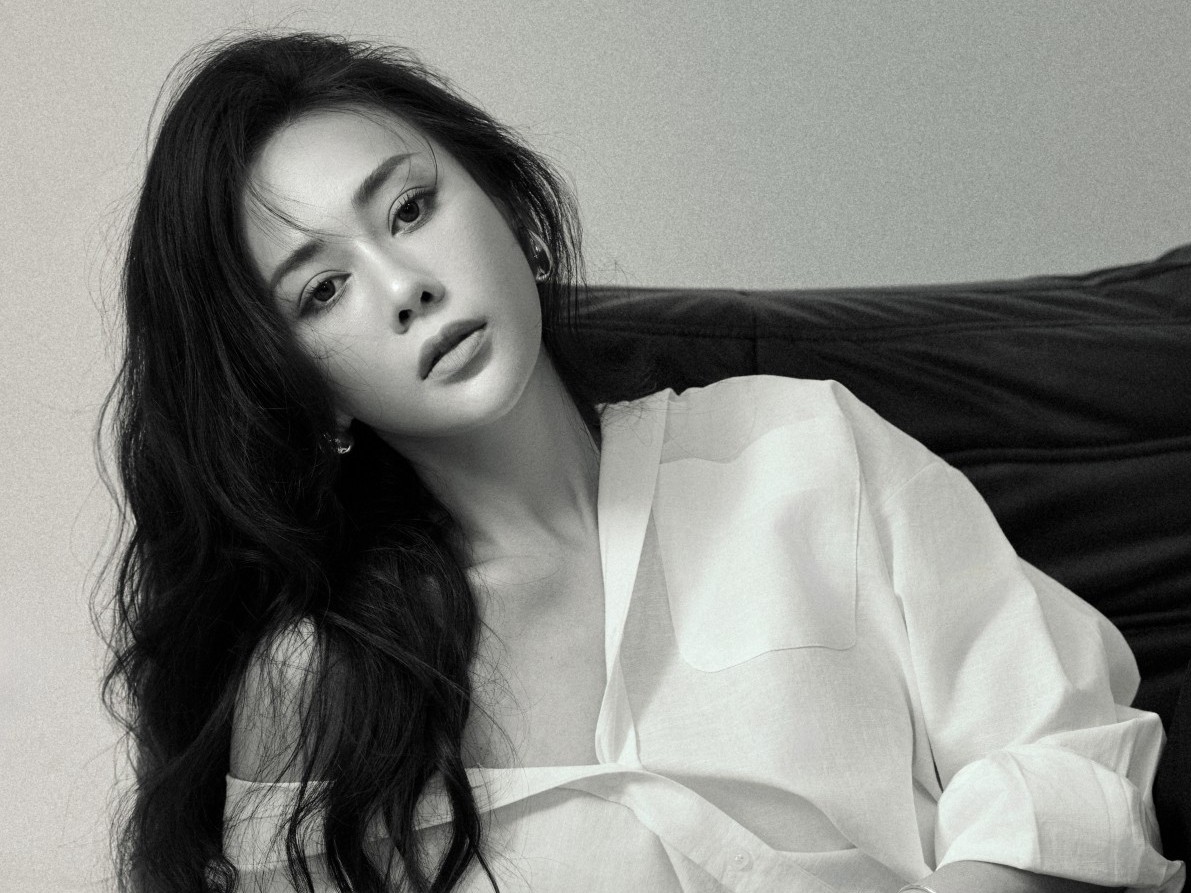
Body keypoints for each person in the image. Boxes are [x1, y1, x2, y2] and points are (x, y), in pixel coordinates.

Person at [101, 31, 1183, 893]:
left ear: (508, 208)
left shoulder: (801, 447)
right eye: (322, 290)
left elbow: (1066, 753)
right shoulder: (318, 677)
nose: (405, 286)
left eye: (411, 208)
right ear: (302, 386)